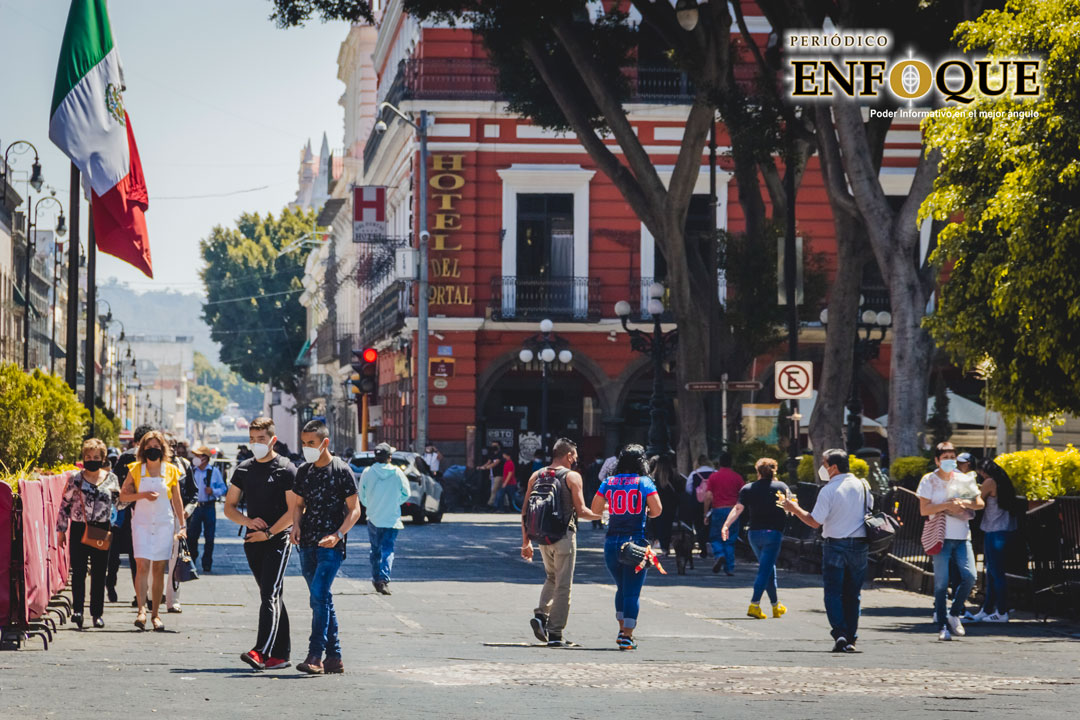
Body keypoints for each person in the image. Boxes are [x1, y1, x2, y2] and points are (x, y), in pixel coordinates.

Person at [224, 417, 298, 671]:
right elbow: (228, 507)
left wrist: (269, 533)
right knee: (272, 594)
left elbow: (294, 511)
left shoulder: (286, 469)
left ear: (272, 440)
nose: (256, 443)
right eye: (252, 439)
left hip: (278, 539)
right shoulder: (244, 469)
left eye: (261, 439)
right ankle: (281, 654)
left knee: (269, 593)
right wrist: (247, 521)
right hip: (252, 541)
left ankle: (261, 651)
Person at [782, 449, 872, 652]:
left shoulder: (829, 490)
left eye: (823, 463)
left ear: (832, 467)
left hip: (835, 544)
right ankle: (851, 637)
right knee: (853, 594)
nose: (821, 467)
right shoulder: (863, 485)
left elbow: (814, 522)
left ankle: (839, 633)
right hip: (859, 544)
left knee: (833, 592)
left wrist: (794, 508)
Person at [291, 421, 362, 675]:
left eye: (311, 443)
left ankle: (315, 655)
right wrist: (295, 526)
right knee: (321, 599)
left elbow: (355, 510)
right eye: (304, 443)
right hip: (307, 542)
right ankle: (335, 657)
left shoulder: (342, 470)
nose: (307, 448)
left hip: (331, 544)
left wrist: (339, 534)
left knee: (319, 594)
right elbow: (298, 505)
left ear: (325, 442)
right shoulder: (303, 471)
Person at [520, 437, 602, 647]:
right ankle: (555, 634)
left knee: (551, 577)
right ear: (568, 455)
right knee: (564, 585)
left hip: (542, 537)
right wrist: (602, 516)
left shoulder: (536, 475)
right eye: (574, 456)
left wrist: (525, 542)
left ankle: (541, 616)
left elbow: (525, 512)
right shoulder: (573, 477)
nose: (575, 460)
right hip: (564, 536)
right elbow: (582, 511)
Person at [590, 444, 663, 650]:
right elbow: (657, 511)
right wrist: (643, 509)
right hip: (635, 542)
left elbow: (595, 509)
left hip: (611, 542)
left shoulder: (609, 482)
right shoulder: (644, 482)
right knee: (632, 592)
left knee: (621, 587)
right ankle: (627, 635)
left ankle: (622, 629)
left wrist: (613, 506)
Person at [117, 431, 187, 632]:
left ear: (163, 449)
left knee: (158, 569)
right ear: (142, 449)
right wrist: (143, 495)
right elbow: (124, 495)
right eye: (148, 447)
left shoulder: (172, 470)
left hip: (164, 523)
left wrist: (182, 526)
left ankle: (156, 613)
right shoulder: (136, 469)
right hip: (142, 523)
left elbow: (177, 500)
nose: (152, 450)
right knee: (142, 566)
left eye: (156, 446)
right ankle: (141, 610)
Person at [916, 442, 985, 640]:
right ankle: (942, 625)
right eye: (945, 458)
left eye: (952, 458)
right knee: (940, 583)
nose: (949, 461)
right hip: (940, 535)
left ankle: (954, 613)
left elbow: (979, 503)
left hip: (962, 536)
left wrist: (961, 503)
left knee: (970, 576)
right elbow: (924, 509)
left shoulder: (963, 479)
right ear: (937, 460)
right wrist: (946, 506)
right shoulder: (929, 480)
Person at [56, 438, 121, 629]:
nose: (91, 459)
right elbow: (64, 505)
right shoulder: (75, 478)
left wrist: (132, 493)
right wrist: (61, 530)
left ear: (102, 458)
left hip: (101, 528)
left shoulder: (111, 479)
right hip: (79, 528)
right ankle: (78, 611)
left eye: (95, 457)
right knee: (78, 571)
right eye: (88, 456)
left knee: (100, 572)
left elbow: (118, 503)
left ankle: (97, 614)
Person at [720, 458, 790, 621]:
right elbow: (791, 507)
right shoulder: (782, 487)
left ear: (758, 471)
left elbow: (738, 509)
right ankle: (755, 604)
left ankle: (775, 605)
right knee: (765, 569)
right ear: (775, 470)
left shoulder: (748, 489)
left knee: (768, 567)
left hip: (754, 534)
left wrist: (726, 525)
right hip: (773, 533)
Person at [966, 458, 1021, 623]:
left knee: (996, 573)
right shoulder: (1003, 481)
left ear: (983, 471)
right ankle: (987, 609)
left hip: (994, 529)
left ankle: (1002, 612)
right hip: (1005, 528)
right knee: (991, 572)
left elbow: (978, 499)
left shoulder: (989, 482)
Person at [107, 424, 153, 606]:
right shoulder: (129, 457)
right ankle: (137, 594)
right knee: (135, 554)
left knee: (118, 554)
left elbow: (115, 482)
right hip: (128, 513)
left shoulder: (130, 457)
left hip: (129, 512)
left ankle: (121, 587)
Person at [359, 442, 411, 595]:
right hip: (392, 518)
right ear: (390, 457)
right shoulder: (397, 473)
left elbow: (362, 495)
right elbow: (406, 493)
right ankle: (384, 579)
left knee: (375, 550)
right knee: (388, 549)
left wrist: (371, 504)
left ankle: (376, 578)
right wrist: (394, 502)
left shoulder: (368, 472)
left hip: (373, 516)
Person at [165, 434, 197, 614]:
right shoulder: (151, 466)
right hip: (156, 518)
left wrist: (187, 511)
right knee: (154, 559)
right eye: (166, 445)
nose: (170, 449)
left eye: (172, 445)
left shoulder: (184, 465)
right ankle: (151, 597)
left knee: (176, 559)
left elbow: (194, 493)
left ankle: (173, 600)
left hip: (178, 518)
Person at [703, 452, 744, 575]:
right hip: (733, 510)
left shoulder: (714, 477)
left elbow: (709, 496)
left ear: (719, 463)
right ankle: (729, 567)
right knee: (730, 539)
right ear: (731, 463)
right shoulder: (737, 477)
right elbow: (743, 494)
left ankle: (719, 554)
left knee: (716, 537)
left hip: (718, 509)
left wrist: (705, 513)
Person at [188, 445, 227, 573]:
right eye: (196, 456)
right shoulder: (192, 470)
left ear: (206, 458)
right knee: (192, 536)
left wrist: (213, 491)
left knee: (209, 536)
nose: (197, 458)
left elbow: (223, 488)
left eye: (199, 456)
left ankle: (207, 563)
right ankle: (192, 559)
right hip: (195, 507)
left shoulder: (213, 471)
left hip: (209, 506)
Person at [649, 453, 680, 556]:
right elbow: (679, 491)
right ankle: (666, 546)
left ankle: (662, 545)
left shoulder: (654, 477)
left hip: (656, 505)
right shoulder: (673, 475)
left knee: (659, 525)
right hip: (670, 506)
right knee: (667, 525)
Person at [685, 455, 714, 559]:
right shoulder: (714, 473)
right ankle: (711, 544)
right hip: (712, 502)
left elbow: (688, 489)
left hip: (697, 503)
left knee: (698, 525)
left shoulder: (694, 474)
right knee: (711, 525)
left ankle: (702, 548)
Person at [479, 442, 504, 509]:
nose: (493, 447)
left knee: (494, 490)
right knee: (500, 490)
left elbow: (495, 463)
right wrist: (482, 467)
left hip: (500, 475)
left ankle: (490, 504)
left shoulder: (500, 454)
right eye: (492, 445)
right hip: (493, 475)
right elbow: (489, 462)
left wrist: (486, 467)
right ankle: (505, 505)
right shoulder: (492, 454)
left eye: (495, 445)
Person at [493, 447, 518, 512]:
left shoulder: (510, 463)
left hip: (510, 484)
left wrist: (505, 483)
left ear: (507, 456)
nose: (503, 456)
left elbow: (510, 474)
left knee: (510, 498)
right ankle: (501, 508)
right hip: (507, 483)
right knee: (501, 495)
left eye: (504, 455)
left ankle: (512, 509)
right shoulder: (507, 463)